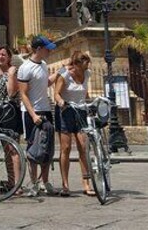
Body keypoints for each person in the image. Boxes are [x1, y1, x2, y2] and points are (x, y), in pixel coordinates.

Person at [18, 34, 58, 196]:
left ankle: (46, 181)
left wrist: (60, 73)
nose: (49, 51)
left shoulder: (43, 64)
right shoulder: (25, 67)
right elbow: (23, 94)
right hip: (30, 113)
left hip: (46, 110)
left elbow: (46, 83)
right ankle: (34, 182)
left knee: (47, 148)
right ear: (39, 49)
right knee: (32, 150)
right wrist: (33, 115)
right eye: (47, 48)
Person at [54, 50, 96, 197]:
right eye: (83, 66)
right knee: (65, 148)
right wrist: (61, 102)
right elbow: (56, 94)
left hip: (81, 112)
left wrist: (90, 103)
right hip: (66, 111)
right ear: (76, 64)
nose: (85, 69)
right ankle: (65, 184)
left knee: (83, 147)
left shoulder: (87, 74)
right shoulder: (65, 75)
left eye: (87, 66)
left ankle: (86, 183)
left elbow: (84, 93)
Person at [0, 45, 22, 194]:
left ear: (9, 57)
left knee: (13, 149)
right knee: (5, 149)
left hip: (11, 112)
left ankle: (18, 184)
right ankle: (11, 181)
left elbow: (12, 91)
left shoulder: (13, 71)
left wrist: (10, 74)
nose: (0, 57)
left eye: (3, 54)